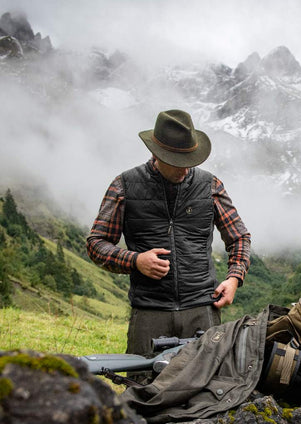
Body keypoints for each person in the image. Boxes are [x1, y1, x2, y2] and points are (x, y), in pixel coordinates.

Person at [86, 109, 251, 358]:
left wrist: (234, 279)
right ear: (155, 154)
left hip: (202, 310)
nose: (185, 171)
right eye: (177, 163)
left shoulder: (210, 185)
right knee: (143, 386)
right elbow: (96, 244)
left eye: (190, 162)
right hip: (149, 312)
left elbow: (239, 237)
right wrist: (135, 261)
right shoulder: (124, 186)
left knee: (205, 388)